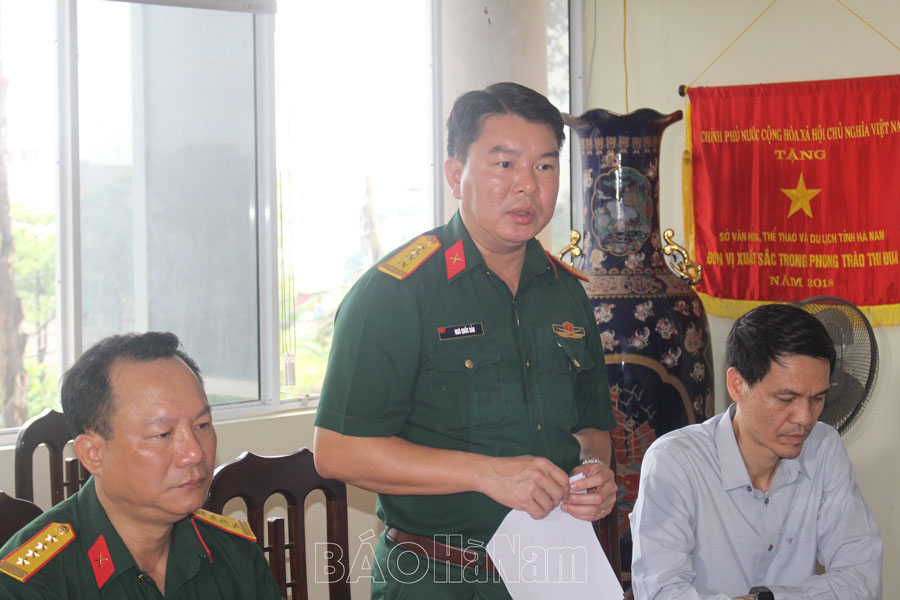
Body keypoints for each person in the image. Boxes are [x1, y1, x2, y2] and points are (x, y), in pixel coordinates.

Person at [313, 81, 617, 598]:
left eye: (545, 166)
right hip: (439, 575)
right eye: (505, 164)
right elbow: (338, 451)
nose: (528, 186)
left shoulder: (566, 292)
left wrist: (592, 471)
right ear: (456, 175)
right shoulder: (396, 292)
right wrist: (486, 475)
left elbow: (592, 430)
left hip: (555, 571)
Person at [0, 332, 283, 599]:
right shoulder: (31, 584)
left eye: (202, 425)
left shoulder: (235, 554)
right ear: (93, 454)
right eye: (163, 434)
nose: (195, 453)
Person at [630, 303, 882, 600]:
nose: (805, 419)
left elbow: (862, 580)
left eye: (817, 399)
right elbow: (660, 592)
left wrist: (768, 598)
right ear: (737, 384)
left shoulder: (824, 447)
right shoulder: (675, 460)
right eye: (787, 398)